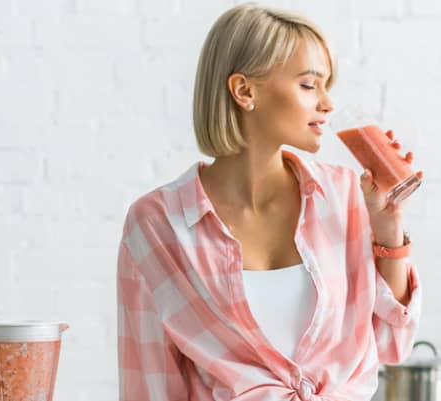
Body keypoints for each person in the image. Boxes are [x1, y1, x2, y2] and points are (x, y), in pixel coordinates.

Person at [116, 3, 421, 400]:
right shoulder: (157, 223)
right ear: (244, 91)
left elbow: (392, 344)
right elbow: (150, 385)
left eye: (328, 86)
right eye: (309, 85)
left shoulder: (345, 195)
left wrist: (388, 227)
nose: (328, 103)